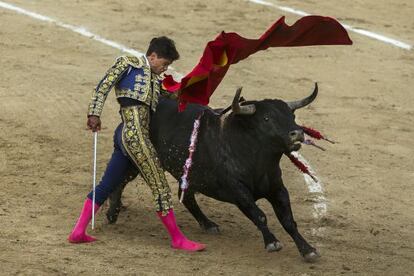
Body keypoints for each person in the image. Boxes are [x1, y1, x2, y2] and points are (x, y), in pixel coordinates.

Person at [68, 36, 206, 252]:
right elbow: (104, 85)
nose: (165, 68)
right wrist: (94, 114)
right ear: (152, 56)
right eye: (165, 63)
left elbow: (167, 96)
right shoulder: (128, 63)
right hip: (134, 134)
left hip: (126, 134)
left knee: (107, 184)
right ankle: (177, 239)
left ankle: (78, 232)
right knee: (160, 185)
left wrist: (186, 90)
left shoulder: (153, 80)